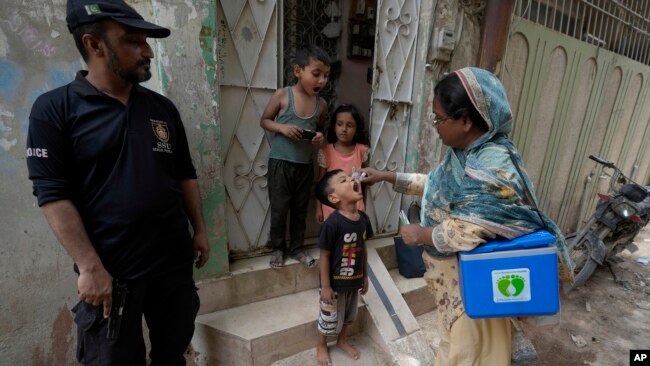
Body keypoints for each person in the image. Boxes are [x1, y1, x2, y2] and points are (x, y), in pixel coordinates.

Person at [25, 0, 210, 364]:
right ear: (94, 45)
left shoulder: (162, 109)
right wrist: (90, 266)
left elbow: (184, 174)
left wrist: (199, 229)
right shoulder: (54, 110)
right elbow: (53, 194)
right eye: (132, 41)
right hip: (112, 278)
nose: (147, 51)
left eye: (145, 41)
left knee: (172, 354)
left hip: (172, 267)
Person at [361, 67, 573, 366]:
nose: (435, 126)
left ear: (465, 121)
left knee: (467, 356)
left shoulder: (492, 165)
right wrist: (386, 176)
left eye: (439, 118)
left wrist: (420, 234)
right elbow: (435, 183)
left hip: (472, 290)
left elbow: (469, 229)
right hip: (453, 285)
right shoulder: (465, 153)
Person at [260, 45, 330, 269]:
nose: (322, 81)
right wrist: (282, 128)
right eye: (316, 74)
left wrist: (319, 138)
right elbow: (265, 120)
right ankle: (278, 248)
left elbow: (320, 131)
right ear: (298, 71)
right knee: (280, 207)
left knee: (300, 209)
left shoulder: (322, 105)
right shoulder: (283, 95)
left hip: (304, 165)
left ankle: (297, 247)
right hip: (280, 163)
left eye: (326, 76)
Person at [314, 169, 373, 366]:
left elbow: (363, 248)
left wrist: (365, 276)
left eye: (350, 177)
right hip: (334, 284)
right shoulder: (332, 224)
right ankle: (321, 344)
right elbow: (324, 256)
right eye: (344, 180)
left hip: (354, 280)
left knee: (349, 315)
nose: (352, 179)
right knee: (328, 318)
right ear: (334, 197)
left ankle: (342, 340)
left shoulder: (363, 219)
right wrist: (326, 287)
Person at [315, 104, 370, 224]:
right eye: (340, 124)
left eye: (349, 125)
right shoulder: (326, 152)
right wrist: (318, 208)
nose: (344, 129)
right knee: (334, 238)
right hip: (331, 207)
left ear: (356, 130)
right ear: (334, 126)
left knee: (355, 237)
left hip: (355, 207)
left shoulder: (361, 151)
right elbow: (320, 183)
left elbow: (368, 176)